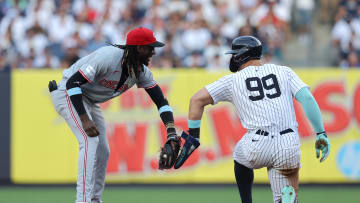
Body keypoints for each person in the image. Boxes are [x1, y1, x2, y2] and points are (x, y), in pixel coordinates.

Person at [175, 36, 330, 203]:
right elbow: (307, 98)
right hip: (288, 143)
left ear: (241, 55)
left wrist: (194, 136)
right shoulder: (284, 71)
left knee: (240, 158)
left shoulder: (233, 80)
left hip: (256, 144)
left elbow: (196, 100)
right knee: (284, 196)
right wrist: (321, 133)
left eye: (235, 54)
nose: (233, 58)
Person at [48, 27, 180, 203]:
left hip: (88, 100)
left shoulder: (141, 71)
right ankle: (83, 200)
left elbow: (161, 102)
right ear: (139, 48)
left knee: (103, 150)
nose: (153, 52)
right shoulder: (109, 57)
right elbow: (73, 83)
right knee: (89, 141)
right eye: (150, 48)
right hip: (67, 93)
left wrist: (171, 133)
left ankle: (95, 199)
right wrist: (84, 119)